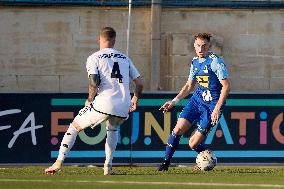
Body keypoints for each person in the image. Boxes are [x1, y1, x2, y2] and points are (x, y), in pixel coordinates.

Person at [45, 26, 143, 175]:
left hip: (104, 102)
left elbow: (94, 81)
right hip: (124, 104)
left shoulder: (94, 57)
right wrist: (135, 98)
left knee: (74, 126)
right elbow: (140, 83)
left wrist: (90, 100)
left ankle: (58, 162)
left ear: (99, 39)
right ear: (114, 40)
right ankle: (108, 167)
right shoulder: (125, 57)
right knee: (113, 128)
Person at [158, 33, 230, 171]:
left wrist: (217, 108)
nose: (201, 48)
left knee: (192, 143)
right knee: (178, 129)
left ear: (209, 46)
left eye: (204, 46)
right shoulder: (195, 62)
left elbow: (226, 86)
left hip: (212, 106)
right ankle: (165, 163)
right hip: (197, 101)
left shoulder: (216, 62)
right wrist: (174, 101)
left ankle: (208, 159)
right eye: (198, 45)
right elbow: (189, 86)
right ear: (194, 46)